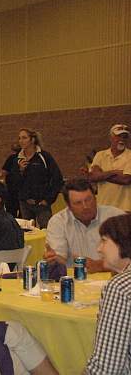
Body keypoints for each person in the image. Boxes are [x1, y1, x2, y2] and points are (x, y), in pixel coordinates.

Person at [44, 178, 124, 272]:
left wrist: (100, 265)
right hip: (77, 281)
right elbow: (59, 259)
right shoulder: (58, 222)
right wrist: (53, 259)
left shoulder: (116, 217)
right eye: (78, 203)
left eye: (88, 200)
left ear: (95, 198)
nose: (85, 206)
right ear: (68, 206)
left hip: (113, 278)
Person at [85, 213, 131, 374]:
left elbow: (106, 368)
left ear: (123, 243)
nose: (99, 249)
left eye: (104, 240)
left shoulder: (120, 288)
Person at [16, 128, 63, 228]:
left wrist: (48, 199)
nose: (21, 141)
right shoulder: (18, 159)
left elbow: (57, 178)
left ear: (32, 140)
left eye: (24, 138)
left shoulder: (44, 156)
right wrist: (20, 171)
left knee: (47, 231)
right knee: (27, 232)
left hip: (42, 203)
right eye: (19, 138)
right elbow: (13, 182)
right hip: (25, 204)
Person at [86, 124, 131, 212]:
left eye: (124, 137)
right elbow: (93, 177)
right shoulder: (100, 155)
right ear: (111, 138)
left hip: (125, 208)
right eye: (118, 136)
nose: (121, 139)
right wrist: (115, 172)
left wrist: (101, 175)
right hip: (103, 207)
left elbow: (126, 179)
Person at [0, 144, 22, 217]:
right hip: (22, 191)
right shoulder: (26, 158)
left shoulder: (12, 158)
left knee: (11, 213)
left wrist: (1, 174)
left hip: (12, 190)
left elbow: (3, 172)